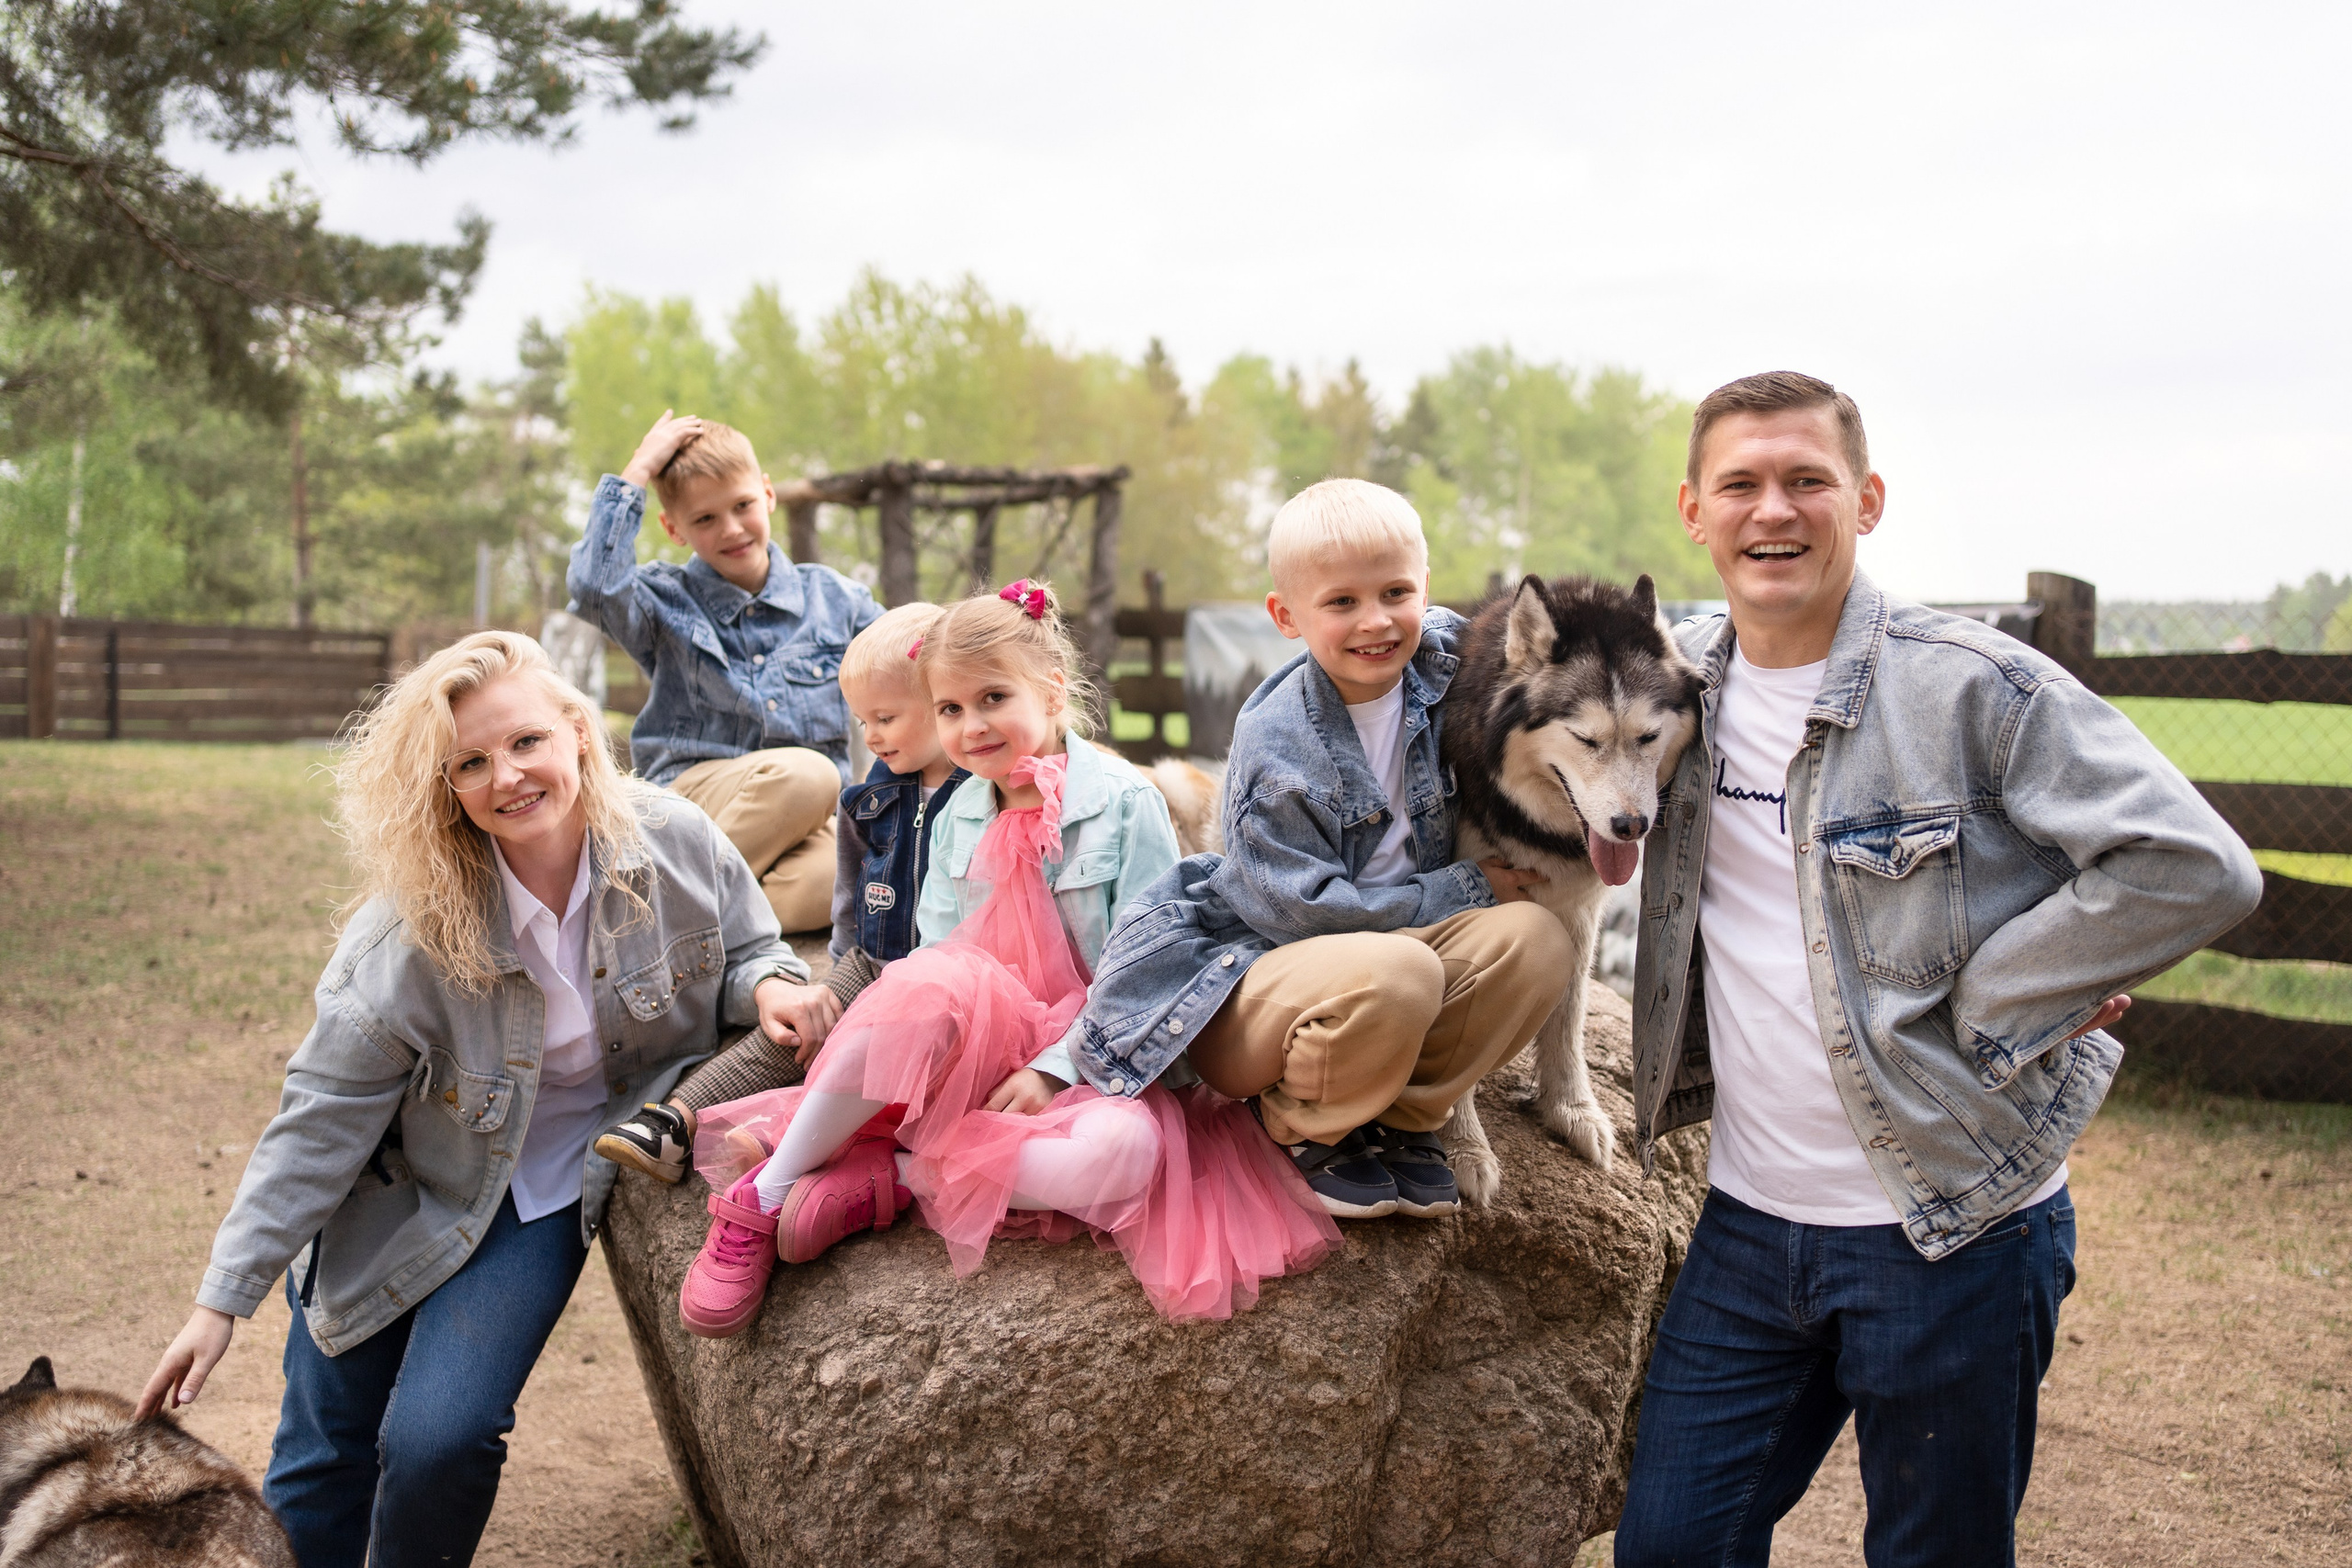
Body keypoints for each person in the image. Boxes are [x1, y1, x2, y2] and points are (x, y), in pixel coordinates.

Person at [1612, 372, 2263, 1566]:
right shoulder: (1668, 679)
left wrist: (2009, 989)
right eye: (1743, 483)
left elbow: (2195, 864)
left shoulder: (1970, 684)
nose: (1777, 509)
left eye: (1808, 480)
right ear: (1693, 512)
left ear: (1864, 499)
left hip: (1956, 1224)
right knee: (1670, 1546)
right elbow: (1449, 644)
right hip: (1750, 1224)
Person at [133, 632, 812, 1568]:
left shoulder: (675, 841)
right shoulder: (406, 937)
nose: (508, 777)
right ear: (443, 787)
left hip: (544, 1193)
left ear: (577, 731)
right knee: (325, 1448)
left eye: (527, 742)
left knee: (438, 1442)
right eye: (471, 764)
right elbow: (316, 1125)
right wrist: (221, 1302)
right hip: (399, 1186)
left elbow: (745, 949)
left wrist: (771, 988)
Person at [680, 581, 1339, 1334]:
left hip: (1097, 1055)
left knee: (1125, 1156)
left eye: (994, 697)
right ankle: (769, 1191)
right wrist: (962, 1054)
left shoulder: (1124, 802)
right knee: (925, 983)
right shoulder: (961, 809)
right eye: (951, 710)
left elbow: (1150, 967)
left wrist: (1055, 1066)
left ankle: (887, 1173)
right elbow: (935, 961)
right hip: (979, 1044)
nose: (972, 725)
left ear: (1053, 690)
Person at [1053, 479, 1577, 1221]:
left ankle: (1401, 1114)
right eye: (1341, 603)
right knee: (1401, 969)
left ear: (1426, 587)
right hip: (1264, 988)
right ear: (1286, 616)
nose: (1376, 621)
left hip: (1391, 961)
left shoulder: (1447, 659)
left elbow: (1557, 655)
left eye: (1396, 591)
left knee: (1538, 941)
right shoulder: (1282, 744)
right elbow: (1305, 915)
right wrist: (1465, 886)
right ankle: (1306, 1118)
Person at [592, 602, 967, 1184]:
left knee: (862, 1059)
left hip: (956, 978)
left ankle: (783, 1142)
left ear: (942, 701)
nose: (870, 735)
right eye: (861, 720)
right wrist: (842, 968)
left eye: (886, 718)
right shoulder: (871, 797)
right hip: (876, 959)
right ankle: (675, 1120)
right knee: (803, 1022)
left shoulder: (983, 791)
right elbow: (852, 889)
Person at [567, 410, 881, 935]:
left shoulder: (834, 600)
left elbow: (908, 655)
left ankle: (683, 923)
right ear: (674, 528)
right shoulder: (664, 600)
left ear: (768, 494)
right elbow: (594, 587)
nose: (732, 529)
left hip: (803, 823)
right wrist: (639, 469)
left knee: (847, 882)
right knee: (812, 774)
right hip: (691, 804)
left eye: (742, 506)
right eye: (706, 519)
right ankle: (650, 908)